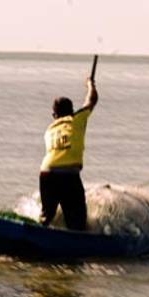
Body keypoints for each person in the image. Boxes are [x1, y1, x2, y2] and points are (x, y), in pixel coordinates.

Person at [39, 77, 98, 230]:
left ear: (54, 115)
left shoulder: (49, 129)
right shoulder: (76, 120)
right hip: (68, 175)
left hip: (46, 173)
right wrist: (90, 84)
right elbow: (92, 100)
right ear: (71, 111)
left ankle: (38, 232)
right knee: (77, 222)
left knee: (47, 216)